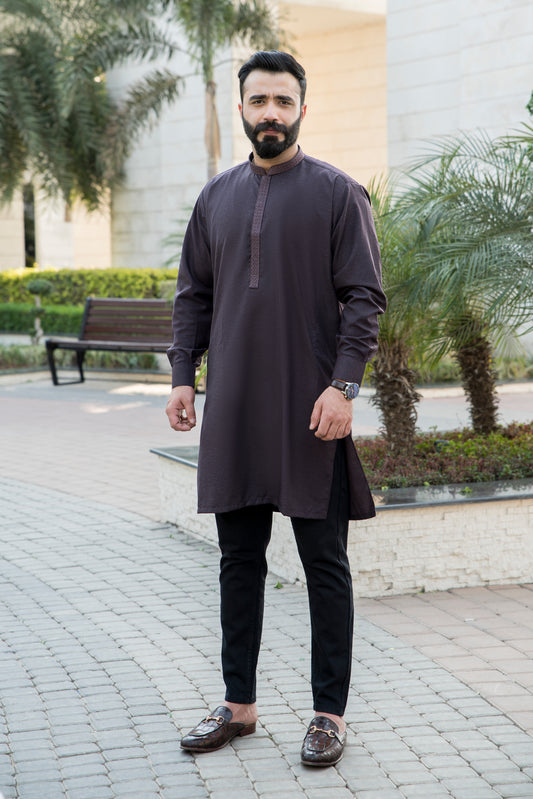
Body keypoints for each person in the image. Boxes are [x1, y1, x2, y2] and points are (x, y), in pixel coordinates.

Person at [166, 50, 386, 767]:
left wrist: (344, 386)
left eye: (283, 101)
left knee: (324, 562)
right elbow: (192, 295)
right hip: (234, 409)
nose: (270, 113)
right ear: (241, 109)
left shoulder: (337, 193)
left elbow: (364, 298)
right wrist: (182, 377)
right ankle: (239, 705)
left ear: (301, 109)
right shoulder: (215, 198)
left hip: (310, 411)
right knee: (238, 560)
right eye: (258, 100)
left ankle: (328, 714)